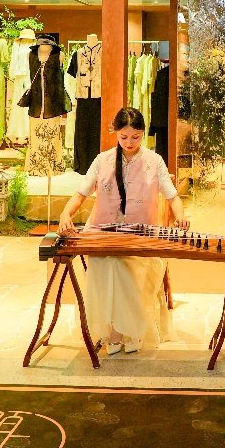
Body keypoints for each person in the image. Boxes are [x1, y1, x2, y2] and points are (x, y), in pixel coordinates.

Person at [58, 107, 189, 355]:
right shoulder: (103, 160)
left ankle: (127, 332)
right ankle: (114, 332)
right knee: (106, 266)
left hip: (140, 236)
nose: (129, 143)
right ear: (116, 133)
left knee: (125, 268)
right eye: (124, 137)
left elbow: (173, 197)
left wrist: (180, 215)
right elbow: (81, 194)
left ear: (143, 134)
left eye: (135, 137)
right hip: (103, 233)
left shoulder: (154, 161)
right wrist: (66, 214)